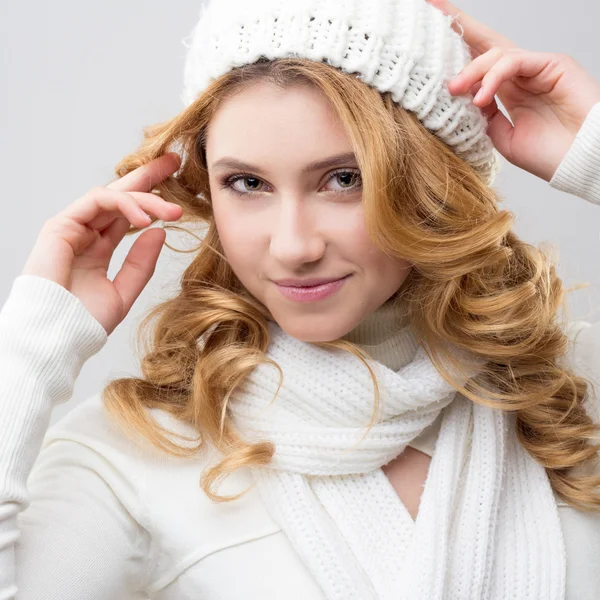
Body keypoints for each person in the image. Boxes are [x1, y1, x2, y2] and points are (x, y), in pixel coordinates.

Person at [1, 0, 600, 598]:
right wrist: (29, 350)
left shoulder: (574, 391)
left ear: (433, 180)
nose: (293, 246)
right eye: (248, 183)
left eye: (344, 179)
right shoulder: (137, 453)